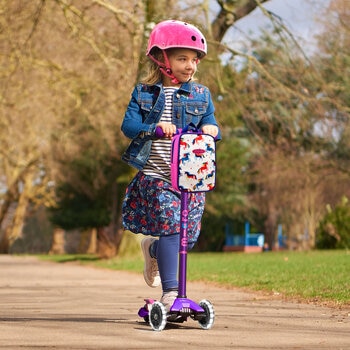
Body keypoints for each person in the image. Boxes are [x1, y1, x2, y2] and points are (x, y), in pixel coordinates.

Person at [121, 19, 220, 310]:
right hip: (156, 175)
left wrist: (213, 130)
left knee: (186, 238)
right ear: (162, 59)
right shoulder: (144, 93)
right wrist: (154, 128)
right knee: (171, 228)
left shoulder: (202, 95)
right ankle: (171, 293)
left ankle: (152, 248)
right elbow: (129, 126)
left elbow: (211, 123)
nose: (190, 66)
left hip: (191, 177)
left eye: (193, 60)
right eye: (182, 58)